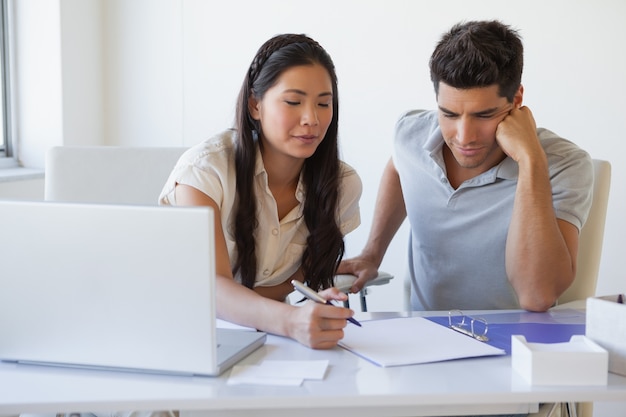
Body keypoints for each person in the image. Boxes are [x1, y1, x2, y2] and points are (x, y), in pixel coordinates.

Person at [339, 20, 593, 313]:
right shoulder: (411, 134)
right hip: (423, 337)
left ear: (517, 100)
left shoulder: (565, 164)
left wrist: (531, 161)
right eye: (449, 113)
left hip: (513, 346)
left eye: (484, 115)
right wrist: (372, 253)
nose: (463, 137)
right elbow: (399, 166)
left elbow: (537, 295)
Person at [159, 33, 361, 349]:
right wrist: (290, 320)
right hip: (185, 336)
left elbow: (281, 287)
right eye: (293, 102)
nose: (312, 119)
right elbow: (211, 289)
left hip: (268, 340)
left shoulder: (341, 185)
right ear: (255, 105)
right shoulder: (204, 173)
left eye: (324, 103)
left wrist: (310, 307)